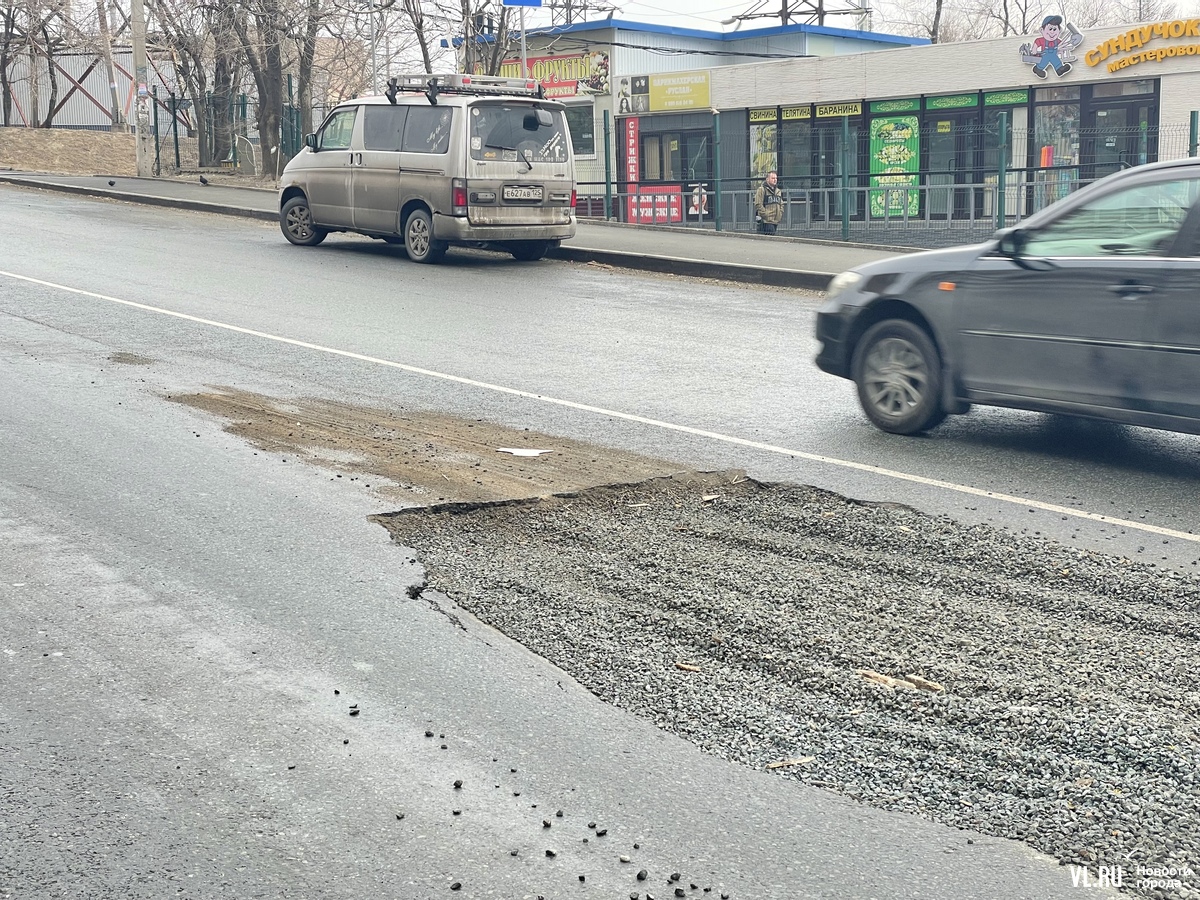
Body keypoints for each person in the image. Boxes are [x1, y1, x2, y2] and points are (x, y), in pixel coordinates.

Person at [754, 170, 784, 235]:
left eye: (776, 178)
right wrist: (766, 214)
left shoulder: (778, 191)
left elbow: (781, 204)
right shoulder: (761, 190)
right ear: (767, 179)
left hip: (775, 220)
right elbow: (758, 204)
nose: (775, 180)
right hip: (766, 221)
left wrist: (780, 214)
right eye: (773, 178)